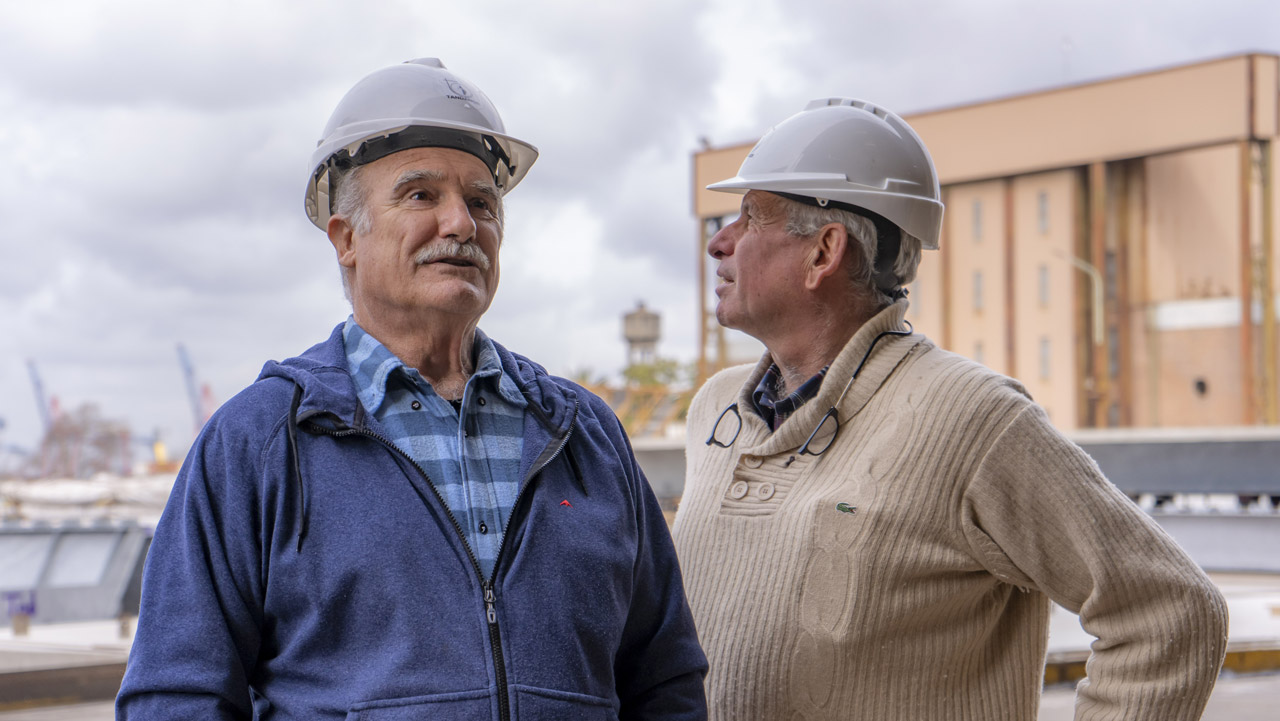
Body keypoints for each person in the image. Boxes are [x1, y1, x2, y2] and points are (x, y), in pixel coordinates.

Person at [117, 58, 707, 720]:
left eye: (482, 202)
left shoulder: (587, 436)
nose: (461, 223)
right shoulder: (258, 444)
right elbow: (175, 698)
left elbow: (665, 681)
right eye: (421, 195)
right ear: (345, 239)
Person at [671, 98, 1228, 721]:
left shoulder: (973, 418)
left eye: (749, 218)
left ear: (823, 252)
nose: (720, 243)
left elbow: (1169, 613)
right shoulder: (715, 410)